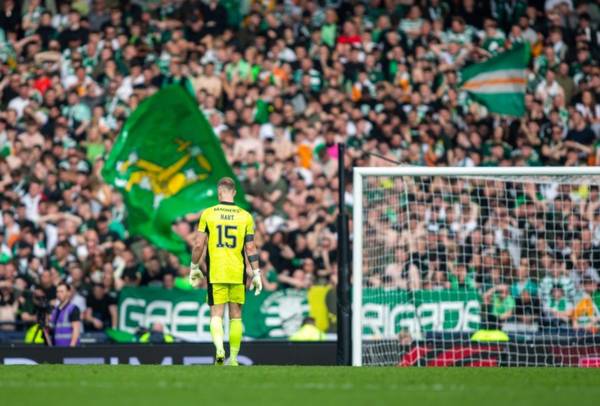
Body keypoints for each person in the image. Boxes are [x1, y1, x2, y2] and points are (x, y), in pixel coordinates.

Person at [189, 177, 262, 366]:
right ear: (234, 192)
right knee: (236, 316)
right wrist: (256, 273)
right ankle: (235, 358)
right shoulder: (245, 216)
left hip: (216, 271)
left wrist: (194, 266)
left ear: (219, 191)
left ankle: (220, 349)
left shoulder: (208, 214)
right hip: (237, 272)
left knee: (216, 314)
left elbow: (198, 244)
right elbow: (251, 248)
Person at [49, 282, 81, 347]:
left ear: (68, 293)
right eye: (57, 292)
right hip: (57, 347)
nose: (59, 294)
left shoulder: (73, 308)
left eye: (62, 292)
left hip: (69, 348)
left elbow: (76, 329)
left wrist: (72, 346)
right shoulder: (55, 310)